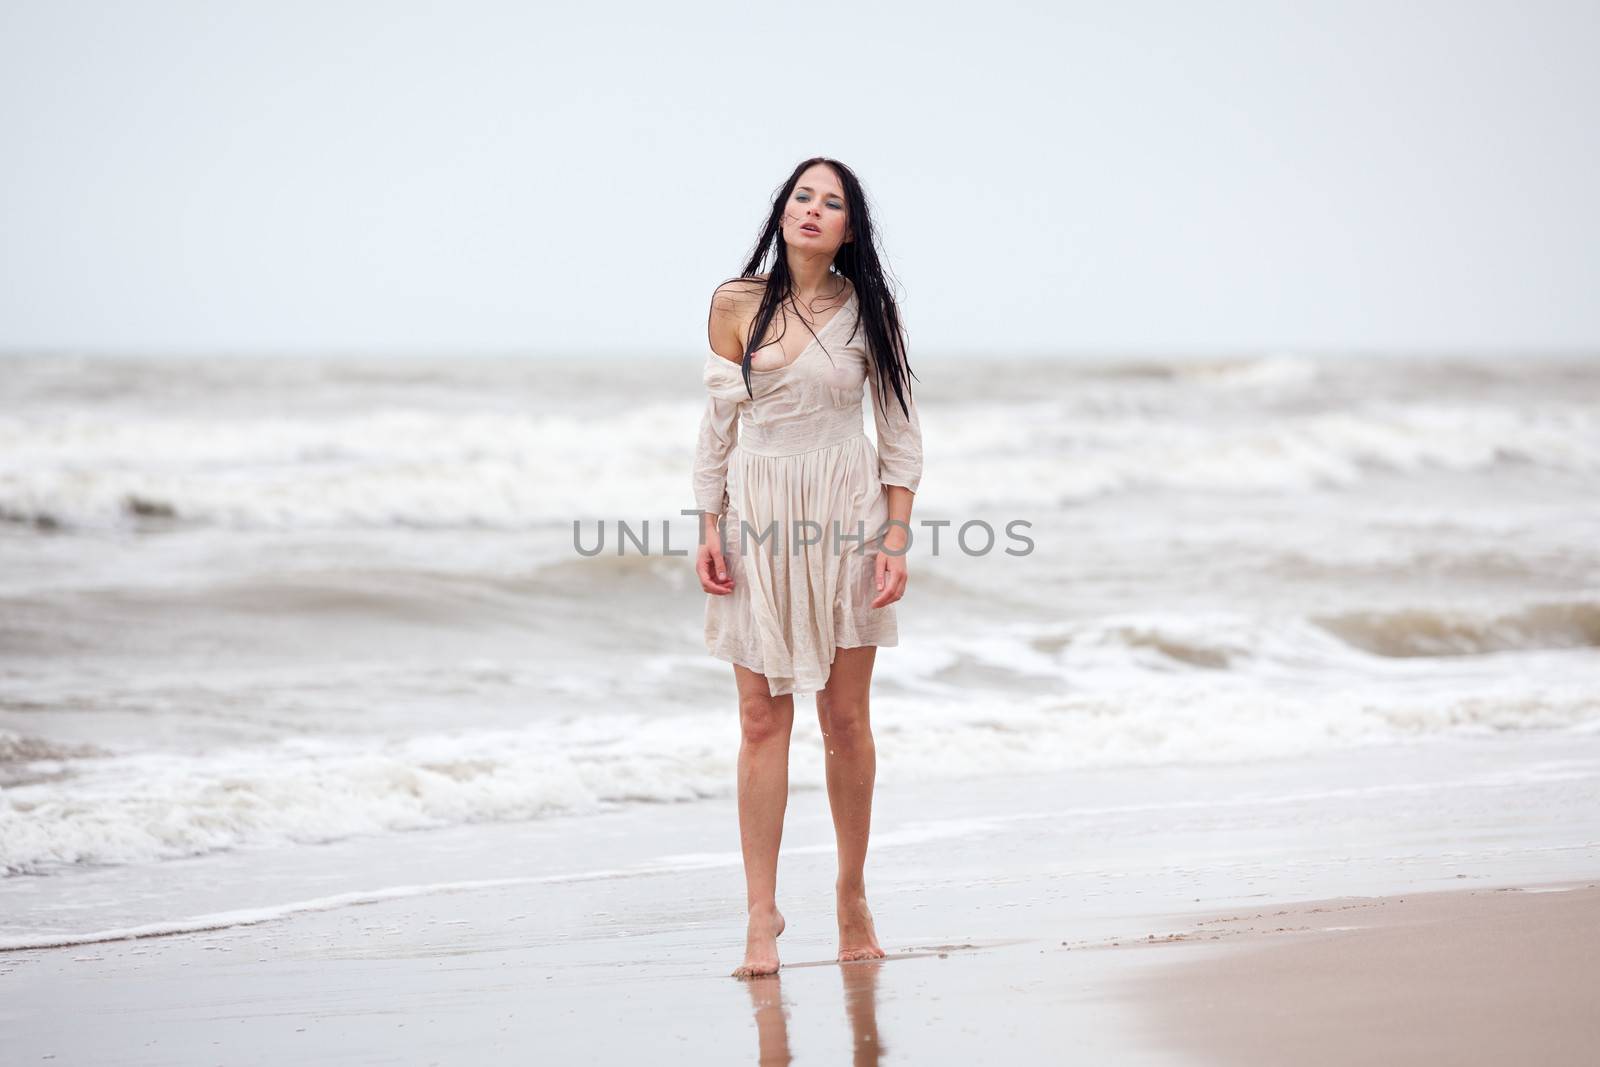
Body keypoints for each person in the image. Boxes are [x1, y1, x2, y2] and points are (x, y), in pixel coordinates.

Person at [691, 156, 924, 978]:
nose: (814, 210)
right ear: (783, 210)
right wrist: (708, 523)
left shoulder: (871, 312)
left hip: (847, 510)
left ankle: (851, 893)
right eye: (803, 197)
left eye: (833, 203)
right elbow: (717, 425)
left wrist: (894, 536)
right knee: (760, 718)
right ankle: (761, 913)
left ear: (850, 228)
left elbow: (897, 434)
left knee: (845, 719)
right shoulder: (735, 303)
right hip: (757, 513)